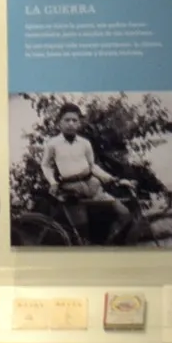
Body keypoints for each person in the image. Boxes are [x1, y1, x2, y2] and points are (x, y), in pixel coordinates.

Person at [37, 104, 126, 243]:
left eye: (74, 120)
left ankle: (111, 245)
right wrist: (53, 182)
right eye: (67, 120)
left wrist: (111, 179)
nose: (71, 124)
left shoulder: (85, 143)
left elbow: (92, 166)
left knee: (123, 213)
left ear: (79, 123)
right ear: (59, 122)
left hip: (92, 186)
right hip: (72, 191)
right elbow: (46, 165)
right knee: (83, 234)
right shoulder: (53, 144)